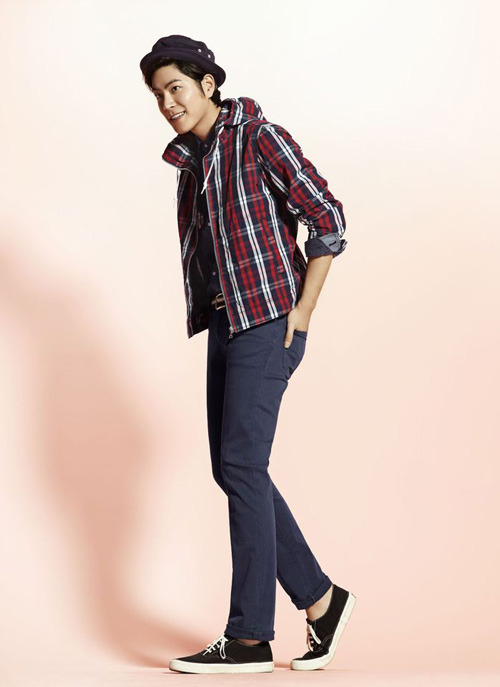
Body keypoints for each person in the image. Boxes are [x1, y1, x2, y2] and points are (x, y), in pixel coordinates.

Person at [139, 34, 356, 674]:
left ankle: (250, 637)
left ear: (208, 84)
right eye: (158, 95)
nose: (168, 103)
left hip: (268, 322)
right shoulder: (193, 163)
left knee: (240, 464)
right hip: (225, 323)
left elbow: (328, 217)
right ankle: (322, 601)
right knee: (234, 468)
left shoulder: (259, 138)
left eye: (176, 88)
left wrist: (304, 310)